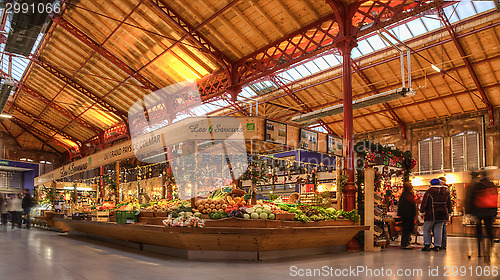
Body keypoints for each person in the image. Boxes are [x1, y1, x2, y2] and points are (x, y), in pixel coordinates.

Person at [464, 169, 498, 261]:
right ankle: (489, 249)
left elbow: (470, 199)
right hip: (490, 212)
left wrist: (469, 212)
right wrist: (494, 213)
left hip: (479, 212)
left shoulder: (477, 185)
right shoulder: (492, 185)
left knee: (479, 231)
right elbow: (496, 200)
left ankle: (480, 251)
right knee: (489, 231)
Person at [419, 178, 452, 252]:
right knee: (438, 230)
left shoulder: (429, 192)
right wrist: (449, 212)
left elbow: (425, 202)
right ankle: (437, 246)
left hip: (431, 214)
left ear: (431, 184)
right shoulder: (446, 192)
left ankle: (427, 245)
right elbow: (449, 203)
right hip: (443, 214)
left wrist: (422, 212)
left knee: (426, 229)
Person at [398, 182, 417, 249]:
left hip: (405, 214)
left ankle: (405, 242)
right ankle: (405, 243)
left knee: (405, 229)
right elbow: (412, 204)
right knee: (407, 229)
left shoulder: (403, 195)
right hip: (408, 215)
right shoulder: (408, 195)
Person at [438, 176, 450, 250]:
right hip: (444, 212)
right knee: (443, 228)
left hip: (441, 211)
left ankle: (441, 244)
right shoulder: (447, 190)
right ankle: (443, 244)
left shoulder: (443, 190)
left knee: (441, 229)